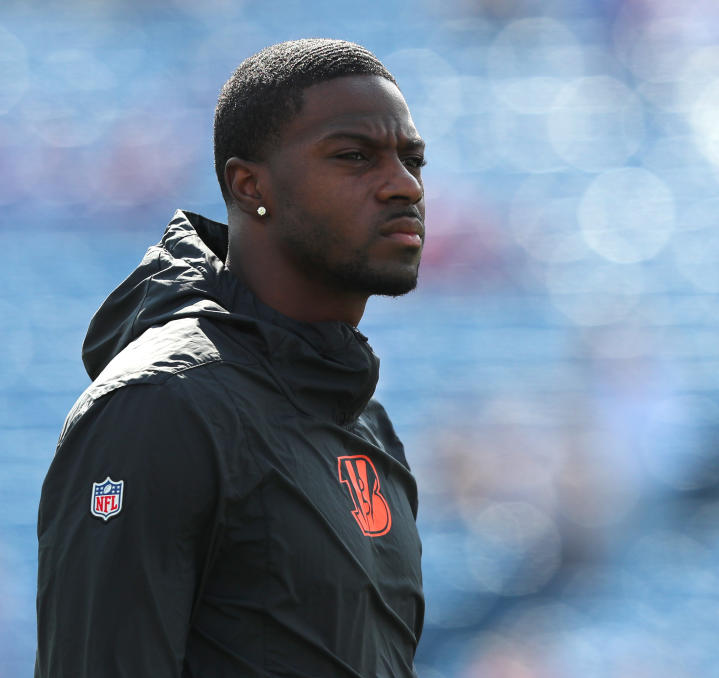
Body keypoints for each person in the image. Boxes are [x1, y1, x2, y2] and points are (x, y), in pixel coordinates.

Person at [35, 39, 426, 678]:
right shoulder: (162, 405)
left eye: (413, 160)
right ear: (250, 186)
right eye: (356, 156)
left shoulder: (365, 419)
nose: (404, 186)